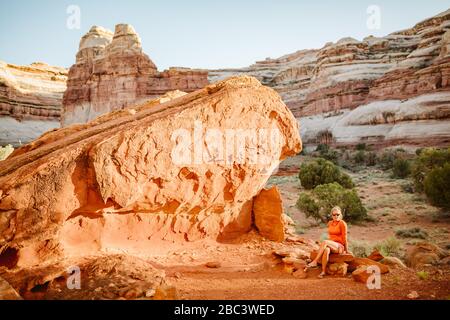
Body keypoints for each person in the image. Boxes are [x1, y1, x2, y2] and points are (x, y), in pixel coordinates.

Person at [306, 206, 350, 278]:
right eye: (334, 214)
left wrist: (346, 250)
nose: (336, 216)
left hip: (339, 246)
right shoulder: (330, 223)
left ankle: (315, 261)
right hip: (331, 244)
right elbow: (331, 236)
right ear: (331, 215)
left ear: (340, 215)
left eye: (337, 214)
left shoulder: (342, 223)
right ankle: (323, 272)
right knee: (326, 250)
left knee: (325, 242)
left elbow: (345, 237)